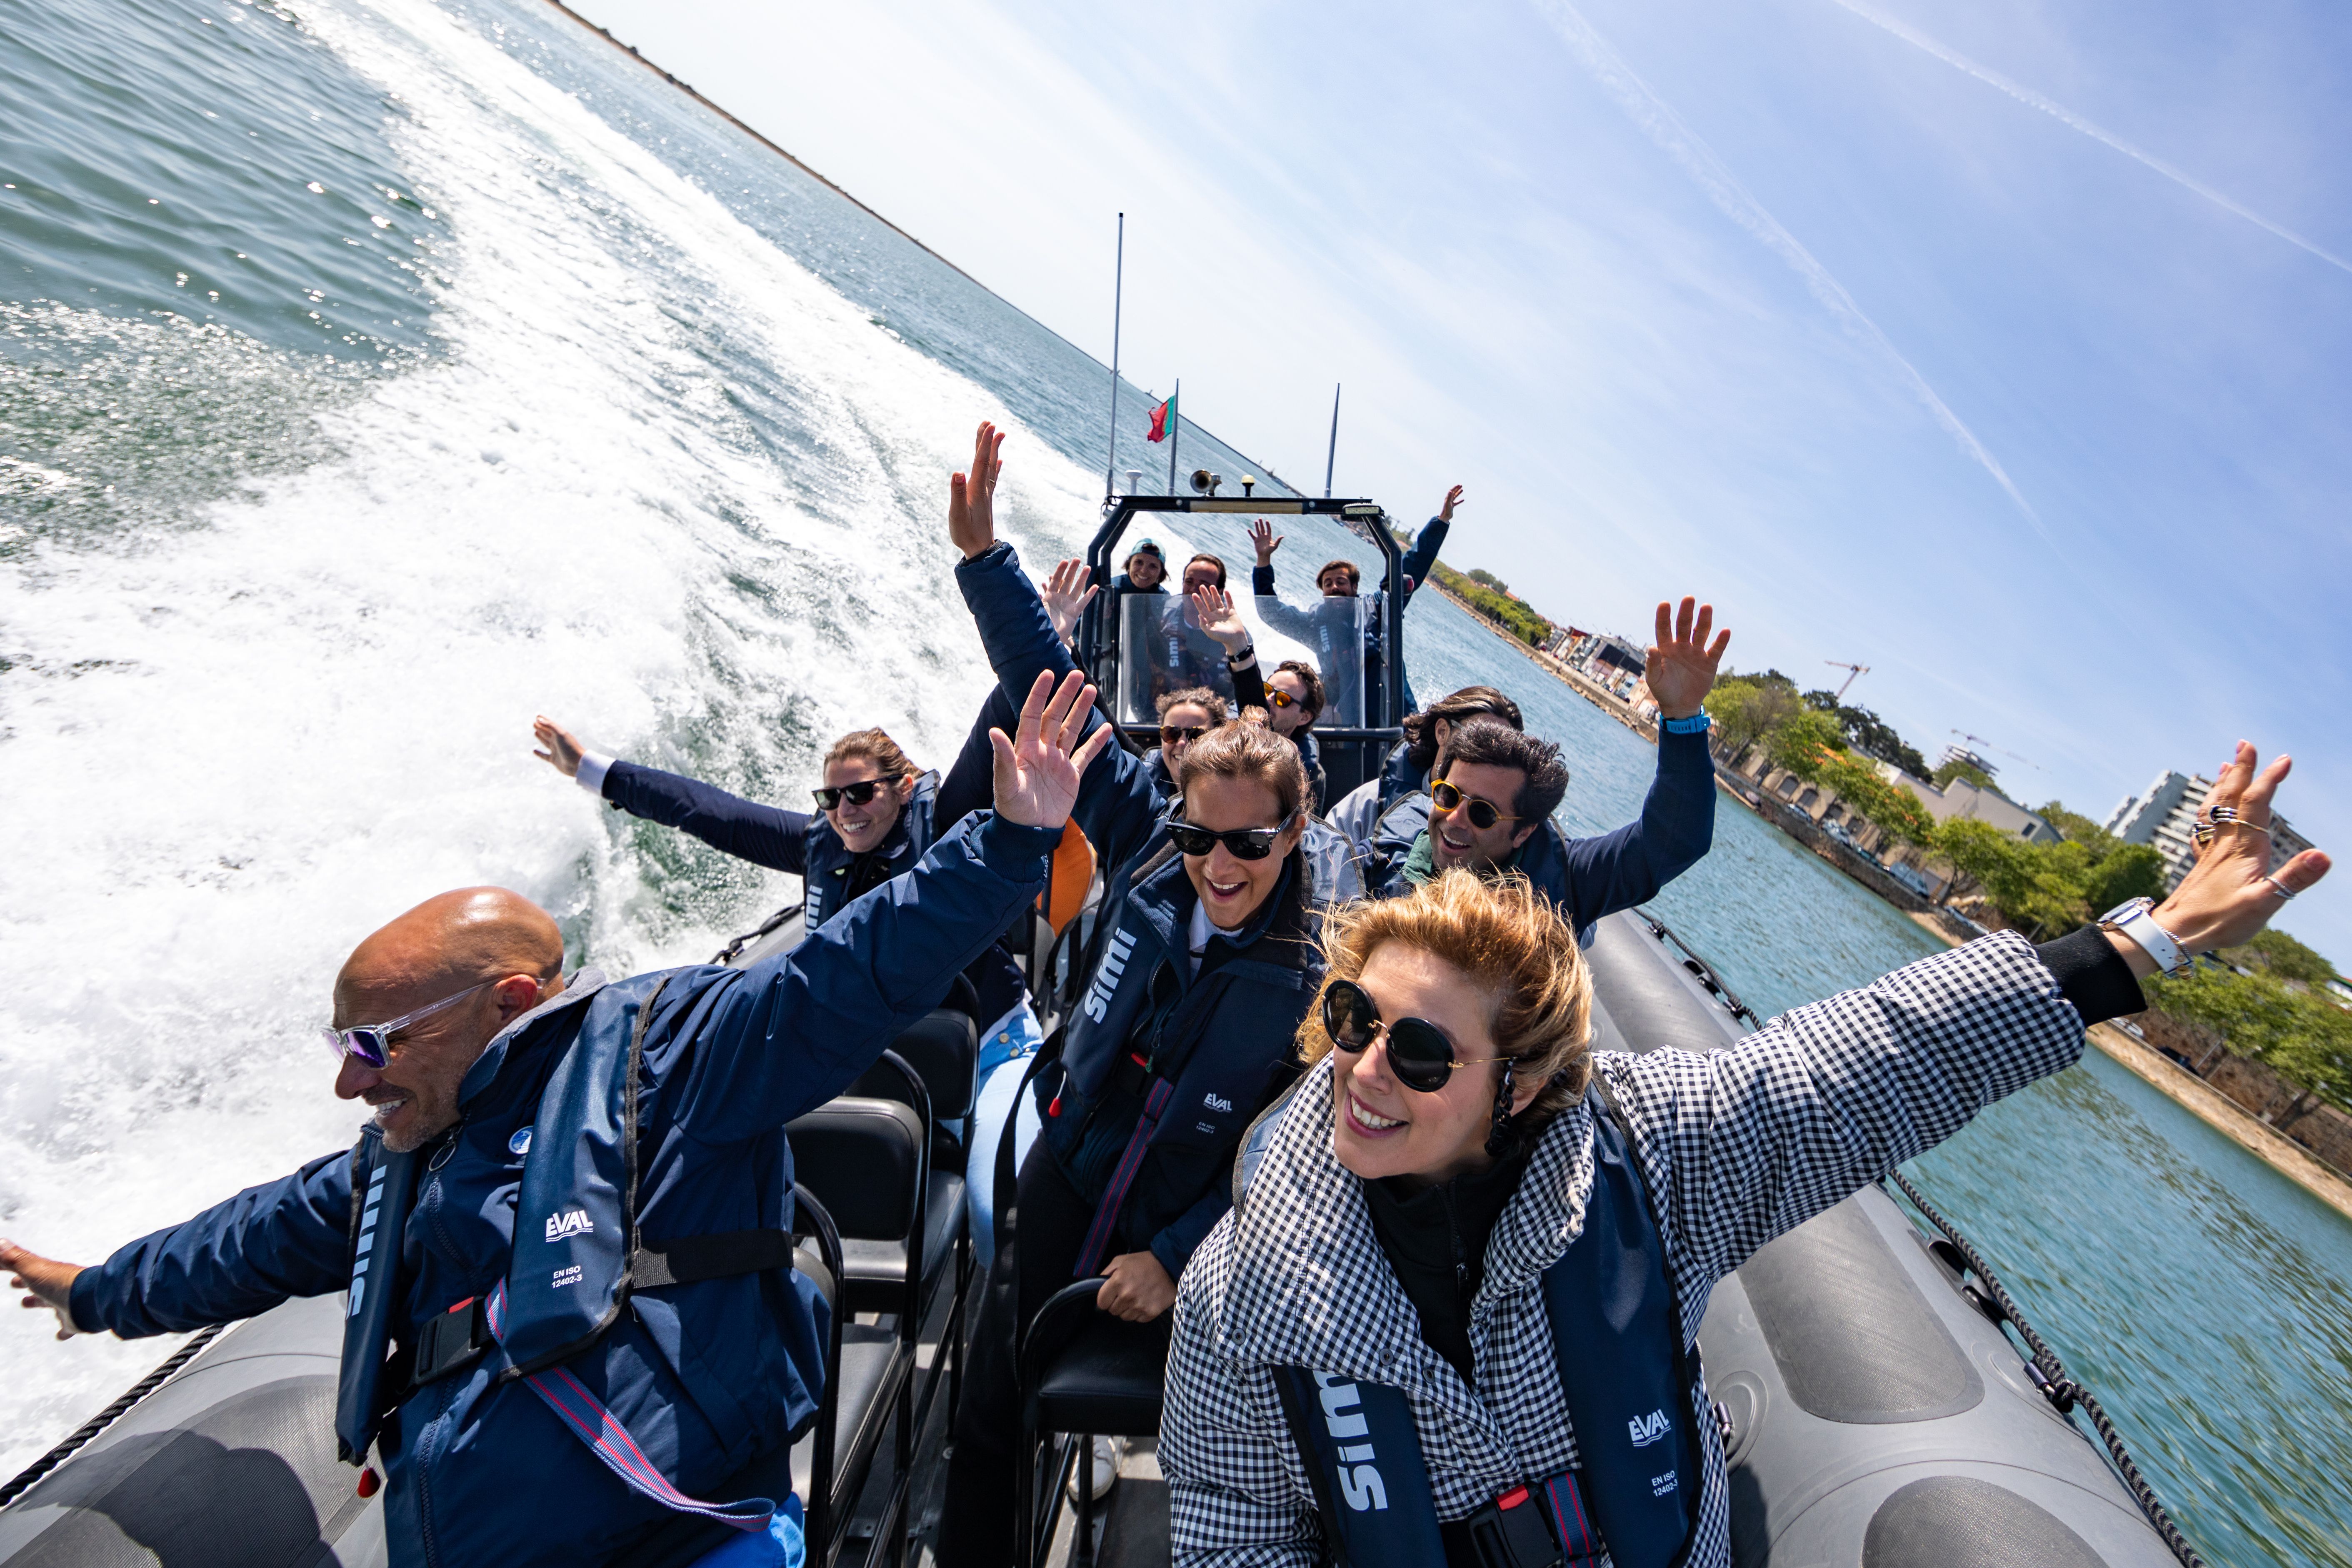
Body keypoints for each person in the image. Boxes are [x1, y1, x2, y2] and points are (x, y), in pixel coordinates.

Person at [0, 673, 1112, 1568]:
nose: (351, 1082)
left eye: (376, 1044)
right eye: (344, 1046)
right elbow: (259, 1234)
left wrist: (1009, 840)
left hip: (675, 1531)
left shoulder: (677, 1051)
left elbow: (846, 974)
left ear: (509, 1002)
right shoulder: (409, 1148)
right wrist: (94, 1291)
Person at [1160, 740, 2329, 1568]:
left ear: (1519, 1084)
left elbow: (1872, 1059)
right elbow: (1229, 1512)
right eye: (1352, 1020)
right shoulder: (1239, 1291)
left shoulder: (1649, 1161)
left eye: (1420, 1053)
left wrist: (2148, 940)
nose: (1363, 1070)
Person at [937, 420, 1327, 1566]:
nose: (1220, 863)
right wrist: (984, 559)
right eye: (1202, 836)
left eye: (1249, 842)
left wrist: (1176, 1249)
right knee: (986, 1405)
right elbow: (1046, 678)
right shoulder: (1150, 844)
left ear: (1292, 832)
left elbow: (1296, 1158)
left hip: (1195, 1234)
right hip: (1069, 1162)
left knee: (1215, 1444)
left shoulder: (1315, 981)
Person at [529, 720, 1027, 1033]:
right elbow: (709, 811)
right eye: (830, 798)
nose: (844, 811)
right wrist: (591, 770)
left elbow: (999, 719)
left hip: (985, 1035)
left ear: (903, 788)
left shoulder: (947, 827)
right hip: (869, 1045)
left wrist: (1045, 638)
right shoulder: (819, 844)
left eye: (860, 793)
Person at [1362, 598, 1727, 940]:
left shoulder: (1564, 880)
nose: (1454, 818)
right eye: (1448, 795)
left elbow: (1671, 840)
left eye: (1482, 812)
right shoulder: (1393, 837)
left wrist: (1682, 719)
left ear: (1523, 832)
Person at [1247, 485, 1458, 726]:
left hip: (1394, 711)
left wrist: (1441, 522)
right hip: (1349, 721)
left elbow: (1411, 566)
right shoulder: (1315, 624)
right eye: (1328, 584)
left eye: (1341, 582)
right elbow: (1271, 613)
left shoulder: (1379, 608)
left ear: (1355, 587)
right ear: (1322, 591)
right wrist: (1263, 560)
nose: (1334, 587)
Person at [1329, 683, 1524, 851]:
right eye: (1476, 741)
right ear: (1442, 732)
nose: (1486, 760)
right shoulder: (1370, 804)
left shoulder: (1504, 841)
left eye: (1499, 753)